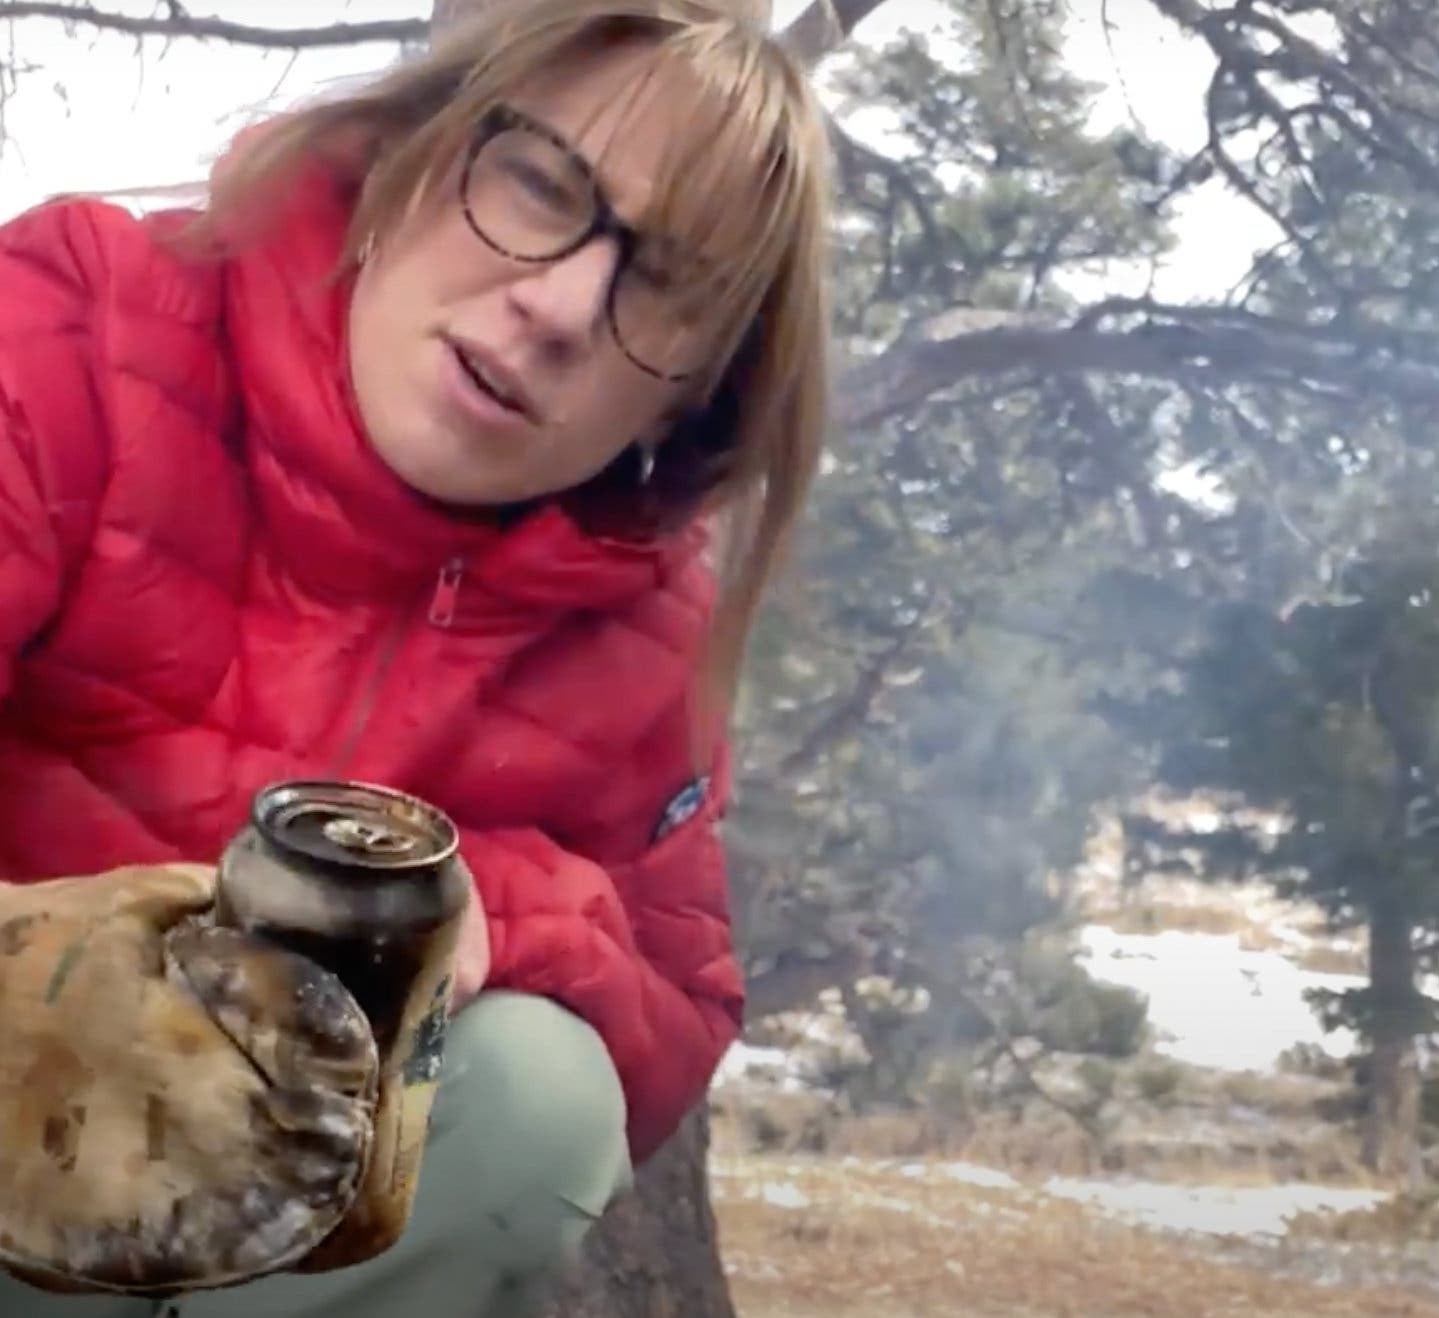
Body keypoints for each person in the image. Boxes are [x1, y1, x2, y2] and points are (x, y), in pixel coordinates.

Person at [0, 0, 834, 1314]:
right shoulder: (76, 330)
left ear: (694, 396)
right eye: (540, 184)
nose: (563, 305)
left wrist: (498, 905)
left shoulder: (642, 640)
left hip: (271, 1256)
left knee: (538, 1096)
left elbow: (672, 1020)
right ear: (409, 151)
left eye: (665, 291)